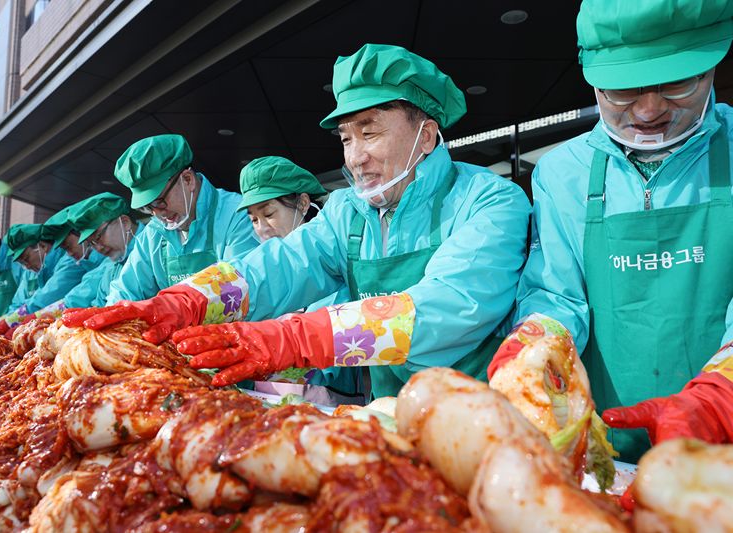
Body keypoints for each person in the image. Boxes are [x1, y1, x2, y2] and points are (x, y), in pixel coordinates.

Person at [66, 44, 531, 399]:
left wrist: (298, 337)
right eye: (347, 138)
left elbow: (449, 307)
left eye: (370, 132)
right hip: (390, 410)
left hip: (480, 412)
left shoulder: (490, 201)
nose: (356, 157)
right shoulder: (350, 211)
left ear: (426, 134)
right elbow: (278, 265)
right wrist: (186, 301)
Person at [488, 0, 733, 462]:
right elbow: (557, 291)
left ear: (713, 64)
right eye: (622, 90)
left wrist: (720, 397)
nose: (648, 109)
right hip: (607, 442)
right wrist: (537, 336)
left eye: (677, 82)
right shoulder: (563, 173)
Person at [238, 156, 361, 402]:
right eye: (253, 219)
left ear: (303, 203)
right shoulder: (258, 273)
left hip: (329, 407)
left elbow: (335, 357)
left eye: (269, 213)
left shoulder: (334, 268)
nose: (261, 228)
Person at [106, 134, 258, 303]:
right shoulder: (153, 234)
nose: (157, 213)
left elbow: (243, 288)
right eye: (147, 207)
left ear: (188, 180)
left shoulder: (237, 214)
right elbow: (125, 290)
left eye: (159, 201)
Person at [71, 193, 146, 307]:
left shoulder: (152, 245)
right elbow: (99, 305)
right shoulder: (113, 266)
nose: (98, 248)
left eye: (98, 237)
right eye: (92, 243)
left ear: (125, 222)